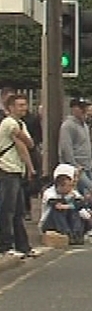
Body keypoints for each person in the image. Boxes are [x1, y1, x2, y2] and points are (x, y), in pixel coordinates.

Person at [0, 93, 39, 258]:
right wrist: (30, 167)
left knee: (18, 211)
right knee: (7, 210)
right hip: (7, 170)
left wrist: (29, 168)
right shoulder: (9, 123)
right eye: (20, 105)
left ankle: (23, 246)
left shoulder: (21, 123)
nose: (24, 108)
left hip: (16, 170)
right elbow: (24, 143)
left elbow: (26, 145)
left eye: (25, 104)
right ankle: (6, 246)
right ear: (10, 108)